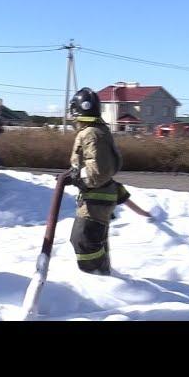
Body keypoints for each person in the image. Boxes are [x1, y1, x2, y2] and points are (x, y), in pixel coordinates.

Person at [64, 87, 124, 275]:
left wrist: (76, 177)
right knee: (95, 239)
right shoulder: (97, 131)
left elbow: (98, 171)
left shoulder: (90, 133)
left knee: (83, 240)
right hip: (98, 196)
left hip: (96, 198)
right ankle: (104, 275)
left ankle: (96, 279)